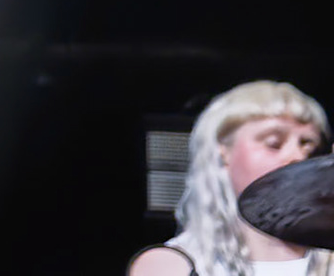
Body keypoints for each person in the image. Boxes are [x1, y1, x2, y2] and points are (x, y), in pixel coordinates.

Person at [131, 81, 334, 276]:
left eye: (308, 146)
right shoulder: (173, 264)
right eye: (274, 143)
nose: (297, 157)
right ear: (222, 152)